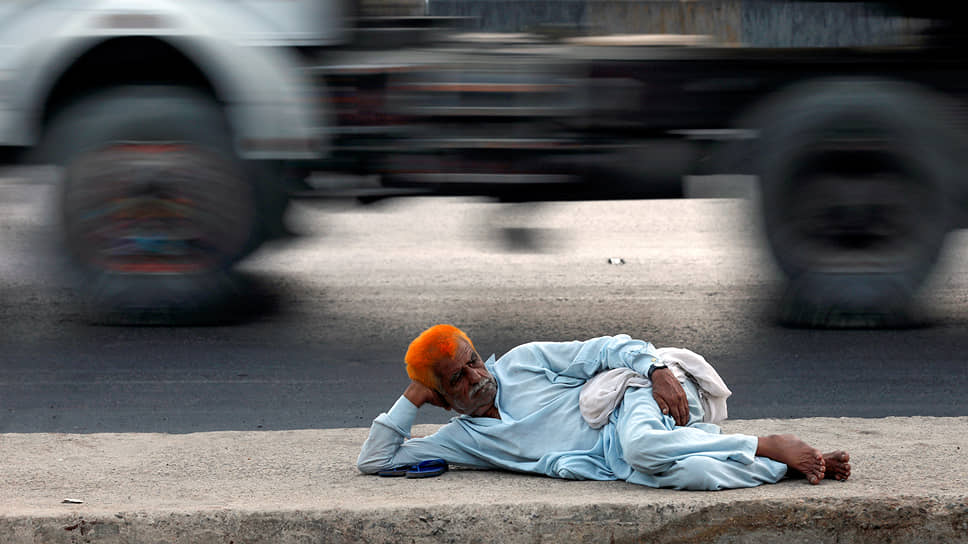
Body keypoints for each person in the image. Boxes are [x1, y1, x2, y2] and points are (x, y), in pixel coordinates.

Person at [357, 324, 851, 490]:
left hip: (630, 398)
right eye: (458, 379)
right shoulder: (461, 439)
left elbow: (604, 348)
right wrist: (411, 397)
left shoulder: (523, 363)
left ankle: (770, 443)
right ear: (442, 398)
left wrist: (656, 370)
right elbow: (375, 461)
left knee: (643, 445)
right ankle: (780, 467)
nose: (476, 376)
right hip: (612, 458)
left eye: (473, 363)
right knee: (688, 476)